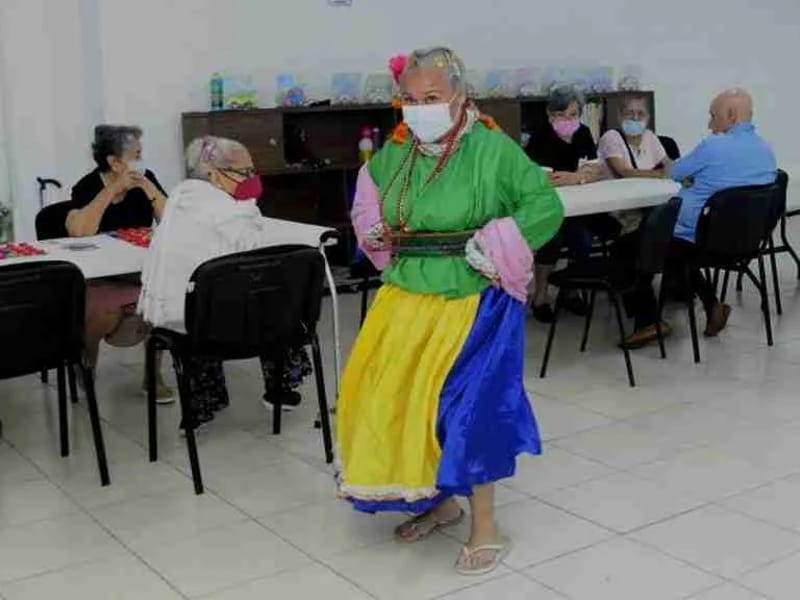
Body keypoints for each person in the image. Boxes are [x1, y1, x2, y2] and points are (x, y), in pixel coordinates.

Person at [338, 47, 563, 575]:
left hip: (473, 297)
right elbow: (369, 204)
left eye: (432, 98)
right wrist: (372, 227)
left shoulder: (492, 149)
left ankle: (485, 525)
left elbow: (544, 205)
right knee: (406, 402)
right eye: (409, 100)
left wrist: (503, 238)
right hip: (407, 294)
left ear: (460, 98)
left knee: (469, 409)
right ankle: (437, 500)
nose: (419, 109)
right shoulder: (395, 153)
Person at [138, 136, 310, 427]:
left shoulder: (178, 204)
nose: (252, 179)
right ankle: (280, 389)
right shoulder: (232, 212)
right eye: (245, 173)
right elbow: (258, 259)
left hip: (178, 324)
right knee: (278, 296)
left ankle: (206, 399)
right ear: (213, 174)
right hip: (223, 328)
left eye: (253, 170)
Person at [623, 88, 777, 348]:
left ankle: (648, 320)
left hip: (699, 240)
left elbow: (674, 171)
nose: (709, 123)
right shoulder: (766, 150)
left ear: (729, 116)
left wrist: (690, 175)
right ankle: (711, 304)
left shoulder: (713, 146)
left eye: (712, 115)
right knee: (673, 248)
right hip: (746, 242)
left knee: (639, 242)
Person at [66, 125, 171, 399]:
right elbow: (81, 231)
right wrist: (112, 190)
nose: (141, 161)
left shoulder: (146, 180)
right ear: (114, 162)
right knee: (105, 313)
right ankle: (85, 361)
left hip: (138, 271)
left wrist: (147, 186)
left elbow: (171, 222)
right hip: (99, 275)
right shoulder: (87, 186)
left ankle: (152, 375)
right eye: (136, 155)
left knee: (160, 302)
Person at [526, 88, 609, 322]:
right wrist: (574, 176)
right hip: (548, 209)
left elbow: (596, 169)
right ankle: (540, 296)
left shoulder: (582, 133)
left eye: (572, 114)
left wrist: (576, 177)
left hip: (579, 207)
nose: (567, 120)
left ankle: (570, 290)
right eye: (560, 114)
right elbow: (541, 178)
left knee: (583, 238)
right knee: (552, 240)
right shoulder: (540, 137)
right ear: (549, 114)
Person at [598, 95, 671, 235]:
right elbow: (623, 171)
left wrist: (680, 171)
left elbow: (668, 163)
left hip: (646, 201)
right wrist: (659, 174)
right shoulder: (611, 137)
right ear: (620, 116)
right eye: (630, 113)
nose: (635, 118)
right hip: (619, 208)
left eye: (641, 113)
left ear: (648, 117)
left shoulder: (649, 136)